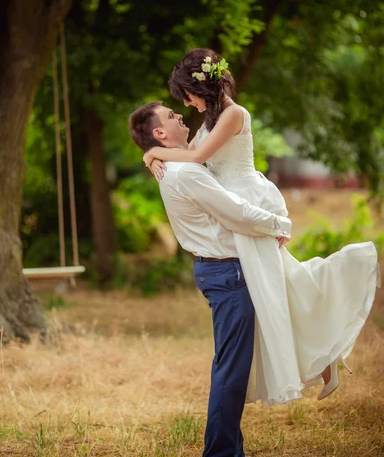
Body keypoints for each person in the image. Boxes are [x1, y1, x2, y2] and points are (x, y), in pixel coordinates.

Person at [142, 48, 380, 406]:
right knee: (283, 286)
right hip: (232, 207)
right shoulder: (208, 122)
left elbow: (195, 158)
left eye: (188, 97)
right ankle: (323, 358)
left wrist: (152, 153)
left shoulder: (234, 114)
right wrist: (154, 153)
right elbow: (189, 160)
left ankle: (323, 353)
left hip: (245, 202)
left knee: (277, 291)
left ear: (200, 89)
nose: (188, 105)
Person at [128, 101, 293, 457]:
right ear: (159, 133)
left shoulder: (177, 164)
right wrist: (279, 223)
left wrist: (150, 154)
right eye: (170, 116)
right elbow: (235, 211)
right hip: (226, 273)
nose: (180, 115)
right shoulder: (186, 173)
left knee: (231, 366)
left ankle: (231, 453)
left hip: (222, 271)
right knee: (230, 369)